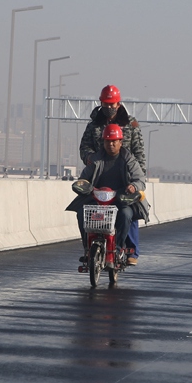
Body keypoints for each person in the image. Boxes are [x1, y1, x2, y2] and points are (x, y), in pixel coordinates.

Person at [79, 84, 146, 264]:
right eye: (105, 104)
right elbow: (84, 148)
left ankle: (128, 250)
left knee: (129, 212)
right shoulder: (94, 126)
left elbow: (139, 153)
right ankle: (88, 248)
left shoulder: (131, 124)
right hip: (99, 176)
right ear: (101, 103)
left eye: (112, 104)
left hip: (125, 175)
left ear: (118, 103)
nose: (109, 108)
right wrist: (90, 159)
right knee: (83, 210)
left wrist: (137, 180)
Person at [67, 124, 149, 264]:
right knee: (81, 212)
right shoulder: (96, 160)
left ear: (120, 142)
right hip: (97, 199)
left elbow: (140, 180)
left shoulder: (129, 160)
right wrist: (83, 185)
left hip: (121, 199)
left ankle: (118, 248)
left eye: (114, 141)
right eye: (107, 141)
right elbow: (84, 178)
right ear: (103, 142)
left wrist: (134, 187)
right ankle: (87, 248)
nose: (110, 144)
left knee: (126, 214)